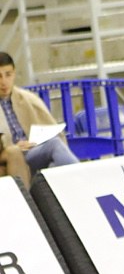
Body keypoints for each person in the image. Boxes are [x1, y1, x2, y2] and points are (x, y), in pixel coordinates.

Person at [0, 51, 79, 189]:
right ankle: (86, 180)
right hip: (10, 153)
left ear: (14, 74)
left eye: (8, 75)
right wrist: (13, 147)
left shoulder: (27, 98)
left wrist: (36, 140)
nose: (4, 81)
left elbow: (51, 128)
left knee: (56, 148)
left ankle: (81, 182)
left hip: (32, 150)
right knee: (52, 149)